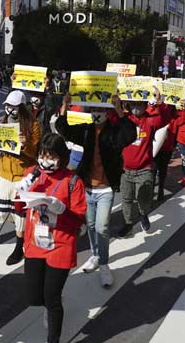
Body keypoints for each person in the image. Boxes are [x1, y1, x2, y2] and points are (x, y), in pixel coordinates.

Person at [17, 133, 86, 343]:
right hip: (35, 242)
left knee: (52, 298)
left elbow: (78, 220)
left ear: (62, 158)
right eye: (43, 156)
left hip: (60, 244)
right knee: (34, 297)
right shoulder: (32, 175)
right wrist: (20, 191)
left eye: (52, 156)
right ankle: (50, 301)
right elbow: (18, 208)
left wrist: (62, 209)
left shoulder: (72, 182)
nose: (46, 161)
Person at [55, 93, 135, 287]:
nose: (97, 113)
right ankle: (95, 255)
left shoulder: (115, 131)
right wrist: (65, 105)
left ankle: (105, 264)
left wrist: (119, 110)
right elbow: (63, 129)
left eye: (101, 110)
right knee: (90, 226)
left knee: (102, 227)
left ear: (107, 112)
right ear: (89, 112)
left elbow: (130, 134)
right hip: (87, 187)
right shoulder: (86, 130)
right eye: (94, 110)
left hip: (106, 189)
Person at [0, 90, 41, 265]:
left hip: (22, 176)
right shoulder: (4, 122)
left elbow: (36, 153)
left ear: (22, 108)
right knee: (2, 212)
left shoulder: (33, 126)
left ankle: (20, 246)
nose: (10, 110)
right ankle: (22, 233)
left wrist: (25, 145)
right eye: (7, 106)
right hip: (4, 175)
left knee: (20, 215)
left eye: (13, 107)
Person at [117, 89, 165, 238]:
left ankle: (143, 213)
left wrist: (159, 102)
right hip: (125, 169)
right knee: (126, 198)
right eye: (133, 104)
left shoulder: (150, 120)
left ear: (145, 106)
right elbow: (112, 115)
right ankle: (128, 223)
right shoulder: (124, 119)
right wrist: (116, 100)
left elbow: (165, 118)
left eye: (140, 104)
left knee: (143, 197)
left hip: (144, 169)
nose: (136, 107)